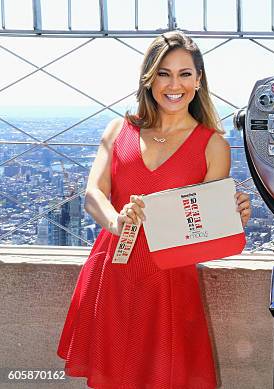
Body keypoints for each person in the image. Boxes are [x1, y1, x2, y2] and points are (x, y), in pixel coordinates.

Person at [57, 30, 251, 389]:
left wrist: (234, 216)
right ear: (149, 78)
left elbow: (208, 229)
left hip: (168, 281)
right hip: (112, 271)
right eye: (163, 73)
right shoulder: (119, 129)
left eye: (184, 73)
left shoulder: (213, 145)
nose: (173, 84)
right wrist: (116, 221)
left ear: (199, 79)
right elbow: (92, 194)